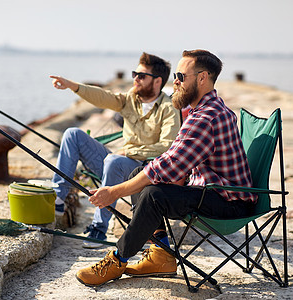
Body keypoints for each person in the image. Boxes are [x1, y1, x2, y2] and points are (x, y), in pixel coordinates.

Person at [75, 49, 258, 287]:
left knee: (153, 194)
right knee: (139, 176)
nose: (176, 82)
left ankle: (118, 259)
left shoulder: (206, 118)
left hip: (230, 204)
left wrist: (114, 192)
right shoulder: (206, 108)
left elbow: (169, 165)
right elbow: (173, 162)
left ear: (202, 79)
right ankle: (161, 254)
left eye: (181, 77)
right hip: (216, 192)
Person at [49, 52, 181, 247]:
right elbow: (104, 97)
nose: (135, 78)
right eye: (135, 73)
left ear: (157, 81)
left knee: (113, 160)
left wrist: (129, 153)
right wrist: (73, 86)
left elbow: (167, 147)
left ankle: (98, 230)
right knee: (72, 134)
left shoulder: (168, 108)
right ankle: (58, 199)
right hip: (117, 166)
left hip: (142, 174)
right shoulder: (131, 99)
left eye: (141, 75)